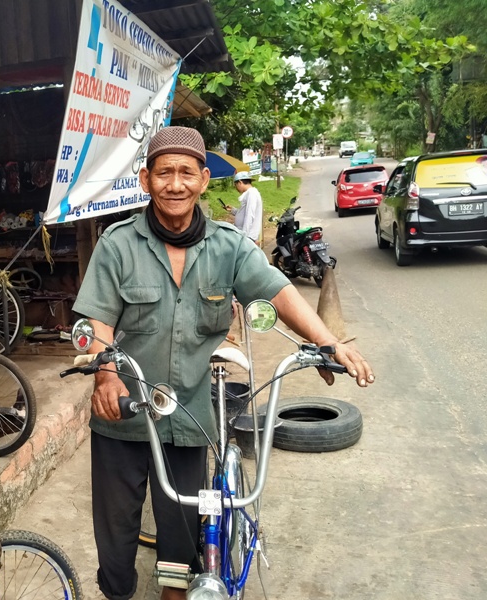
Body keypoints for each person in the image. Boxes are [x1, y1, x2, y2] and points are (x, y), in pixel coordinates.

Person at [72, 126, 374, 600]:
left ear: (204, 179)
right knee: (115, 540)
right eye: (164, 172)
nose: (175, 184)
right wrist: (106, 374)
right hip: (124, 417)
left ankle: (176, 592)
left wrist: (328, 342)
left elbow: (278, 291)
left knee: (182, 533)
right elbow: (97, 322)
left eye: (186, 173)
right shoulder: (117, 244)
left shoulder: (229, 246)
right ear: (145, 179)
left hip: (190, 414)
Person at [226, 171, 263, 246]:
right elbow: (244, 213)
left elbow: (250, 215)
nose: (236, 188)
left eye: (236, 185)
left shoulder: (251, 194)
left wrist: (244, 236)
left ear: (240, 182)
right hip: (247, 236)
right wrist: (232, 210)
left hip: (249, 236)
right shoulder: (250, 193)